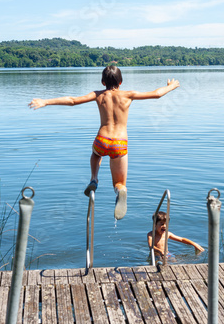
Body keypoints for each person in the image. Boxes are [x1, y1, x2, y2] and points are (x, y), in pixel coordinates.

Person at [28, 65, 180, 220]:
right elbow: (156, 94)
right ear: (121, 82)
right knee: (120, 183)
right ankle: (120, 191)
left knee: (95, 155)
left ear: (102, 82)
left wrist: (45, 101)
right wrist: (171, 87)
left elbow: (72, 100)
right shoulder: (129, 95)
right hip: (119, 143)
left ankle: (94, 178)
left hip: (102, 140)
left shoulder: (98, 95)